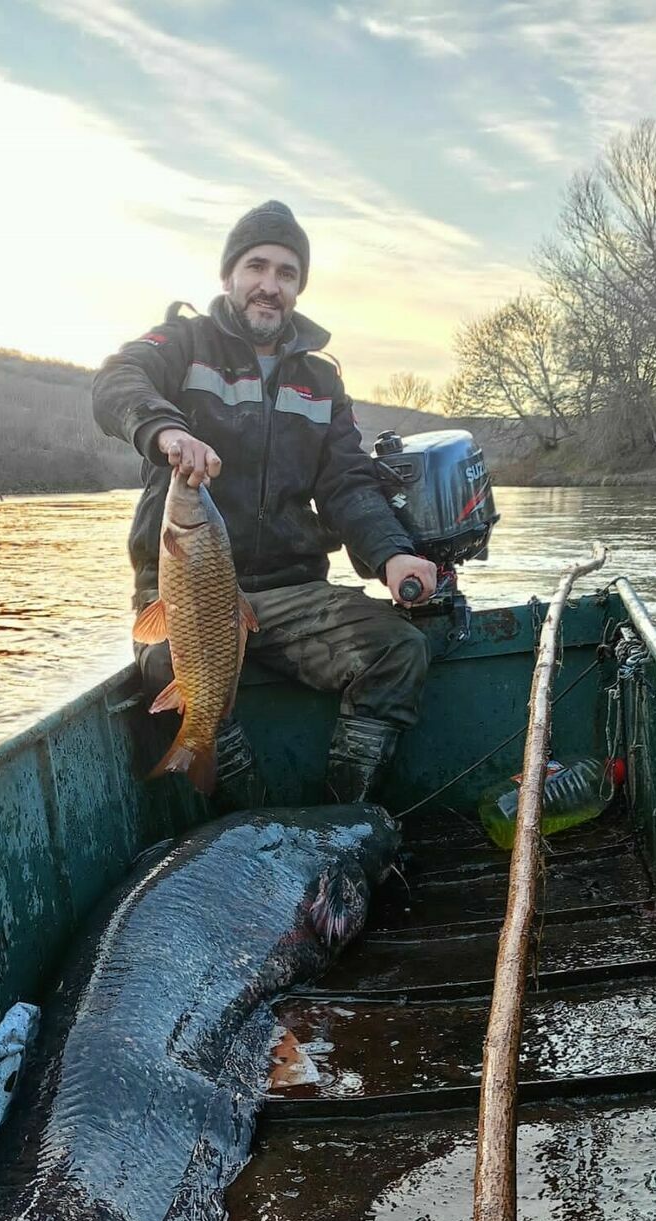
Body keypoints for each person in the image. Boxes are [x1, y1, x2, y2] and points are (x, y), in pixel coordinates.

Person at [91, 200, 439, 805]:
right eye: (257, 267)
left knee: (400, 649)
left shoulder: (320, 380)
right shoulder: (183, 343)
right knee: (161, 665)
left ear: (299, 287)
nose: (269, 286)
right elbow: (117, 380)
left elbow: (348, 484)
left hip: (287, 593)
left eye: (286, 273)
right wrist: (167, 433)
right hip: (185, 594)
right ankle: (245, 816)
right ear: (229, 275)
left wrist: (393, 557)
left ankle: (339, 814)